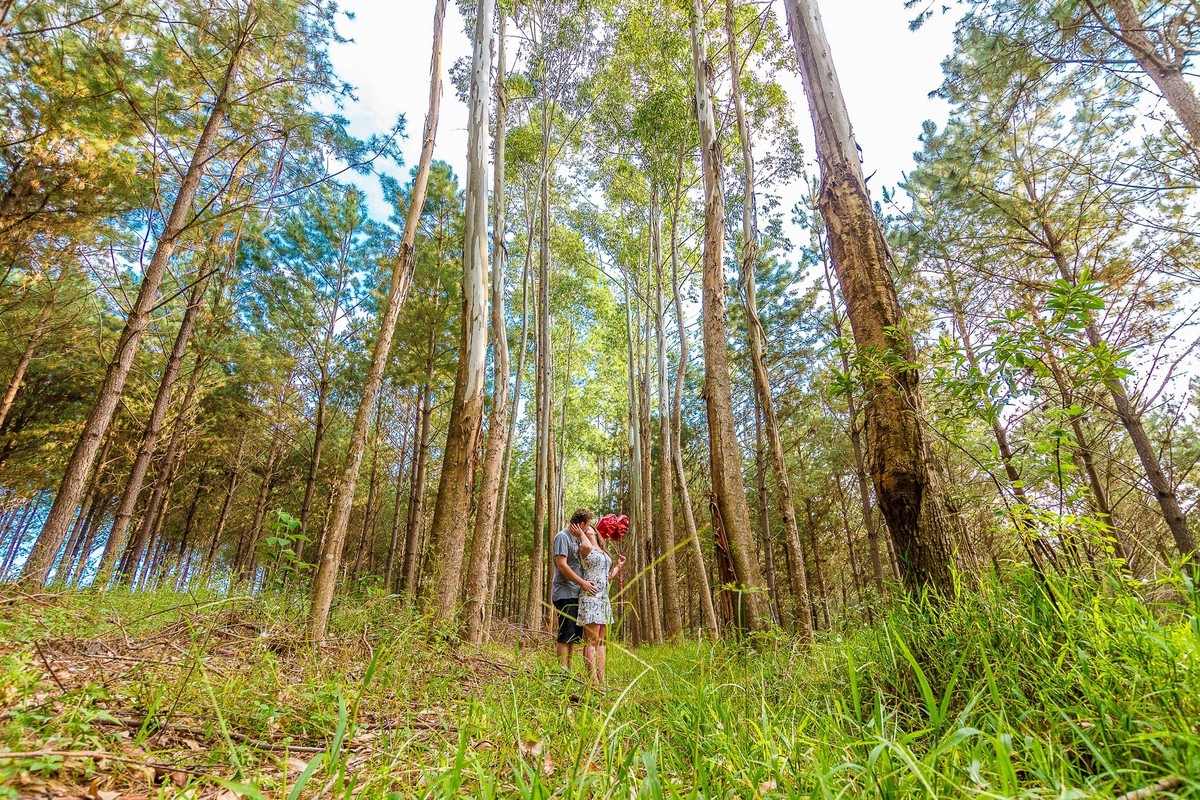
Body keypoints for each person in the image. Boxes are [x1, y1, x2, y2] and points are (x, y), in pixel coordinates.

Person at [577, 521, 625, 686]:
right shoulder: (585, 548)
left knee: (601, 641)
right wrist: (582, 532)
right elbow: (583, 540)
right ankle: (593, 681)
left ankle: (602, 679)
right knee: (591, 640)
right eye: (586, 527)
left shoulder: (602, 549)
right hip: (590, 596)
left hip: (603, 598)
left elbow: (607, 576)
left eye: (590, 527)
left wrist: (618, 566)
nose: (588, 528)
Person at [552, 509, 596, 669]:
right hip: (564, 592)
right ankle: (562, 673)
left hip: (576, 593)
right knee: (565, 634)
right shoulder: (562, 537)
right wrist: (582, 583)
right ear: (581, 524)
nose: (588, 529)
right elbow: (562, 566)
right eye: (587, 525)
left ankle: (567, 671)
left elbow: (589, 549)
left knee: (572, 636)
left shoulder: (578, 539)